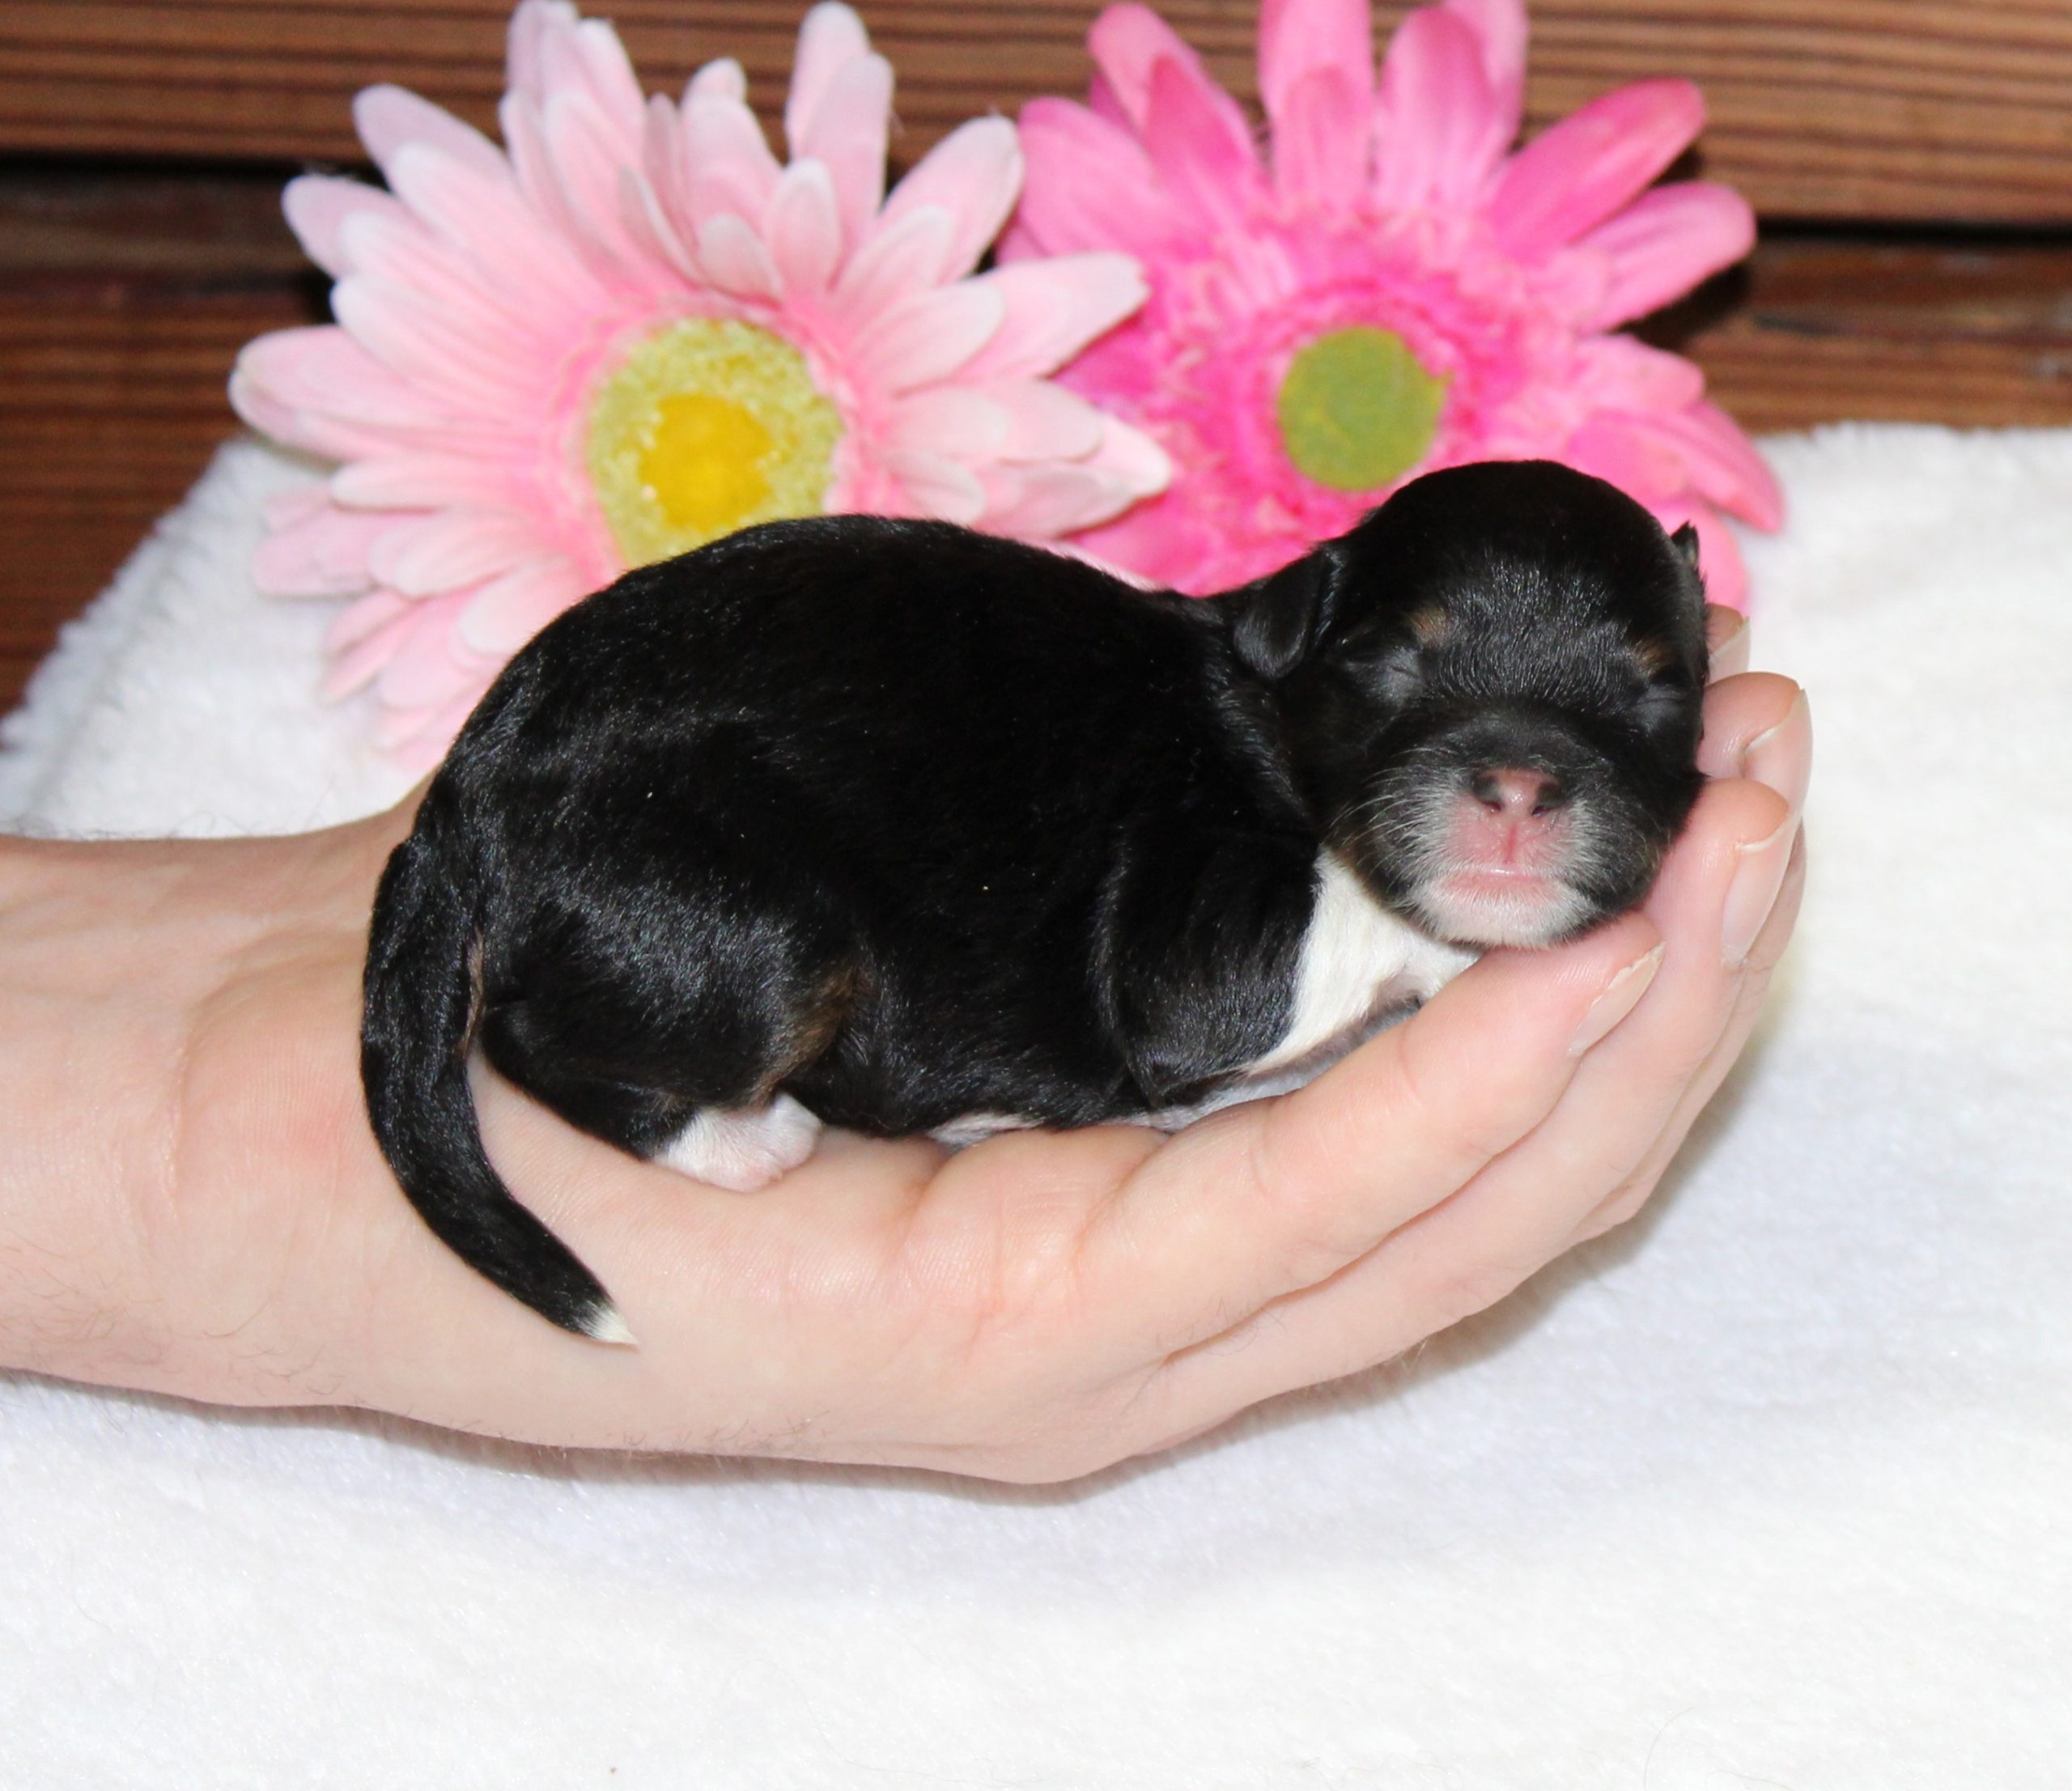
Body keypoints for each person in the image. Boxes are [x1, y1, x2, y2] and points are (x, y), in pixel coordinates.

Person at [0, 614, 1806, 1484]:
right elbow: (1181, 1024)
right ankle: (606, 1079)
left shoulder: (1210, 740)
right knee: (743, 950)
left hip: (657, 808)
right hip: (668, 842)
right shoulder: (1237, 822)